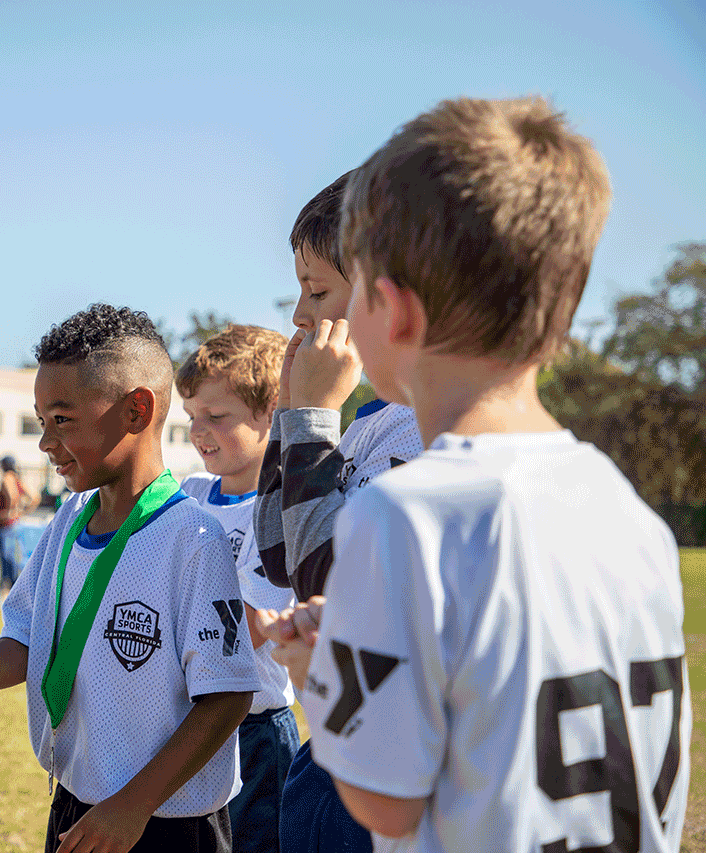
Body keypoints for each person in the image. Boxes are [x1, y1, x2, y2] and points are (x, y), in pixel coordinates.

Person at [263, 96, 690, 852]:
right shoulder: (630, 514)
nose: (306, 315)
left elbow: (383, 802)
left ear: (391, 309)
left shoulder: (407, 515)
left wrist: (313, 671)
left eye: (335, 291)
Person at [0, 303, 259, 853]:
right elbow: (25, 640)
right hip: (75, 804)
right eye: (42, 422)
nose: (45, 442)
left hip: (164, 820)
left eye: (62, 420)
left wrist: (134, 805)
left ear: (137, 411)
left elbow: (227, 697)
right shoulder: (68, 519)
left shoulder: (194, 541)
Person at [253, 170, 425, 852]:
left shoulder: (421, 435)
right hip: (329, 750)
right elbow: (277, 554)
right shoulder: (367, 427)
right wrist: (293, 418)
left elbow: (325, 577)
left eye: (318, 291)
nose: (299, 313)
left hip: (380, 755)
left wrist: (314, 417)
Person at [176, 324, 299, 853]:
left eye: (216, 417)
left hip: (254, 734)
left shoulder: (282, 511)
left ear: (270, 409)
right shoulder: (188, 494)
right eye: (192, 418)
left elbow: (241, 629)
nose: (198, 432)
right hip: (187, 723)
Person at [0, 453, 33, 587]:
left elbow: (11, 496)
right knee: (13, 557)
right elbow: (34, 498)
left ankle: (7, 589)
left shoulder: (7, 478)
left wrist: (10, 511)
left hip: (6, 524)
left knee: (6, 559)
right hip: (14, 523)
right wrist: (21, 512)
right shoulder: (17, 479)